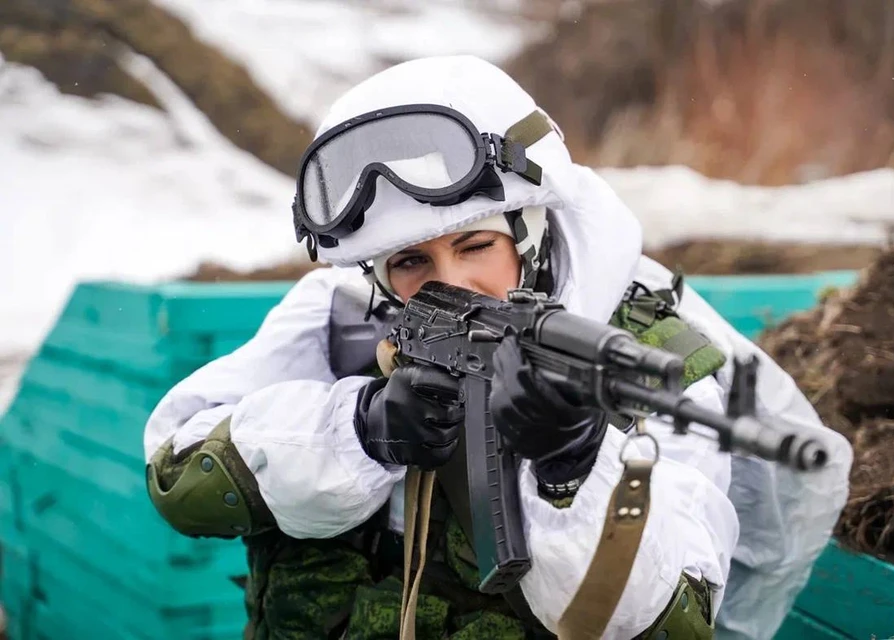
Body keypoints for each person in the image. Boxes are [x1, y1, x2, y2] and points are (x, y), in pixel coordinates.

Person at [143, 55, 853, 640]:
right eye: (411, 263)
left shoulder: (637, 353)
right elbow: (180, 477)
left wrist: (572, 465)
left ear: (533, 234)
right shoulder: (344, 316)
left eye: (476, 245)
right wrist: (361, 430)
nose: (452, 283)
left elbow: (667, 625)